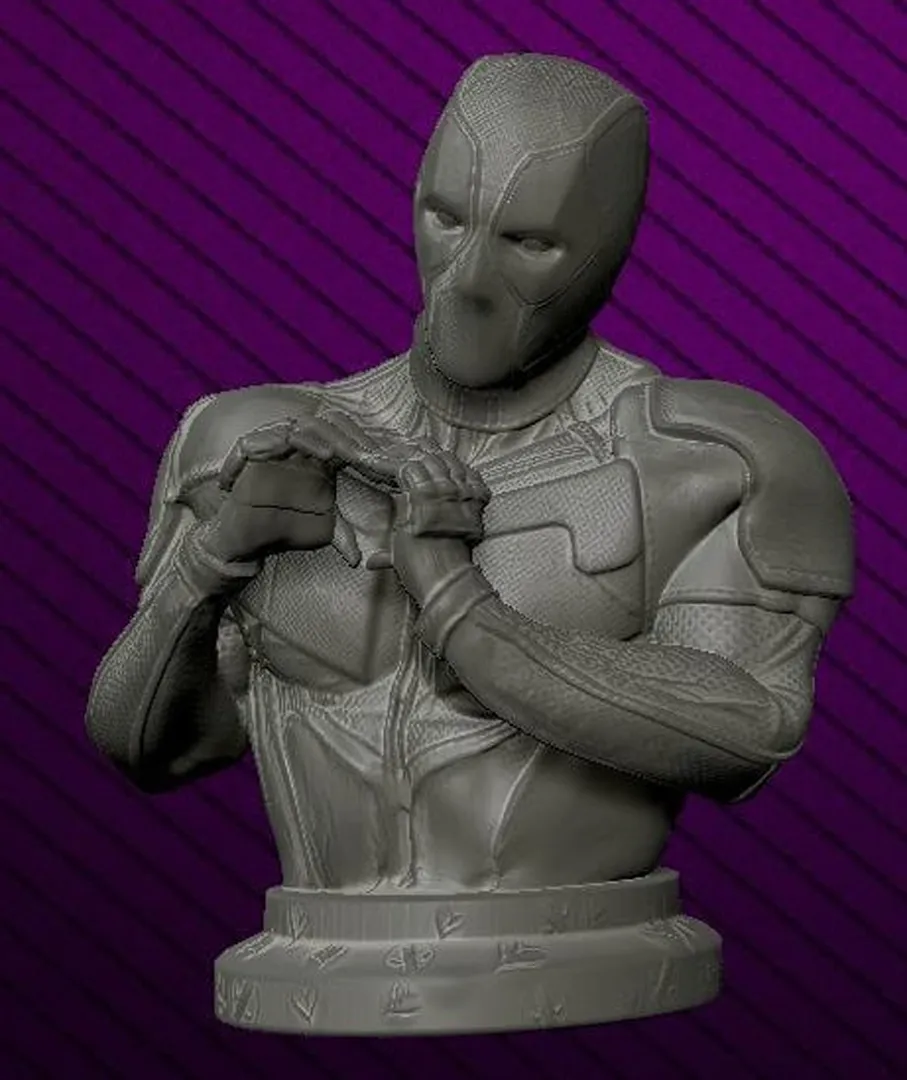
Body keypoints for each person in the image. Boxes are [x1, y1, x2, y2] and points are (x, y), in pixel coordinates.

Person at [86, 53, 853, 1034]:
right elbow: (151, 753)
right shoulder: (243, 431)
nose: (469, 279)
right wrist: (210, 562)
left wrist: (454, 598)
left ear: (607, 246)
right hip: (303, 970)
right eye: (446, 219)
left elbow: (749, 731)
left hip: (586, 984)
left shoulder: (714, 458)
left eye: (530, 241)